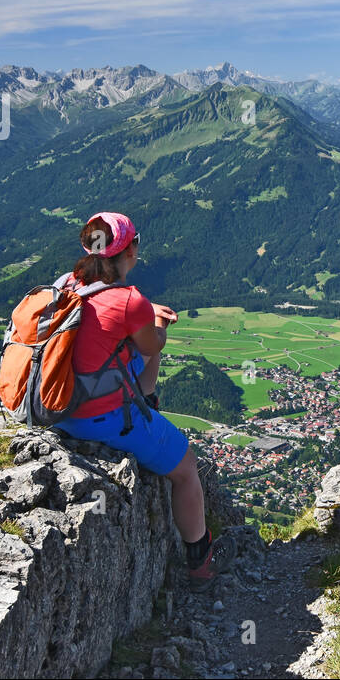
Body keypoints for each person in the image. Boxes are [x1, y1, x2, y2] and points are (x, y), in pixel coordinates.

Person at [51, 211, 221, 585]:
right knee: (187, 468)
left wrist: (141, 317)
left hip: (56, 406)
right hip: (99, 417)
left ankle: (145, 407)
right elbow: (152, 342)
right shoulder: (129, 300)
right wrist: (155, 321)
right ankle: (200, 559)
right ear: (130, 251)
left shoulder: (66, 284)